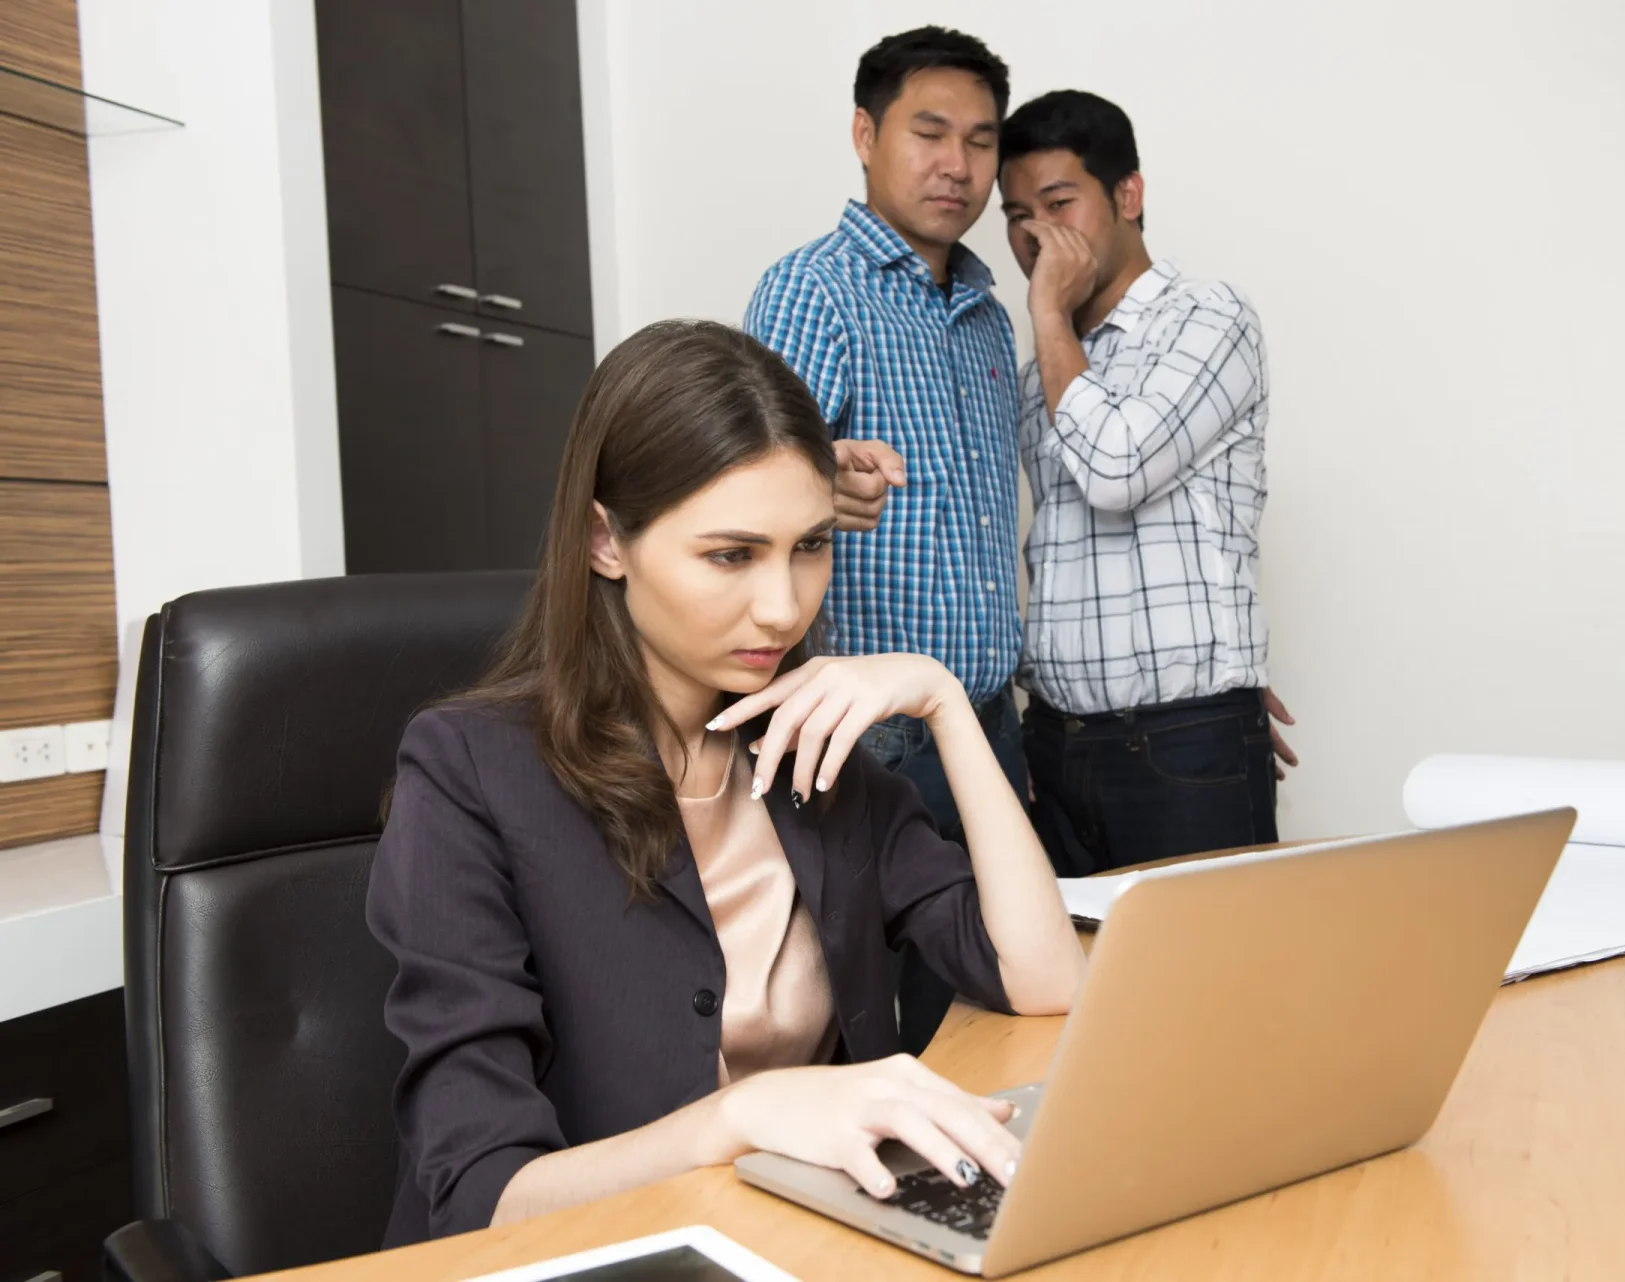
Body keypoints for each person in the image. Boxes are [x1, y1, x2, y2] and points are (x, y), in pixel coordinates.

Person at [366, 321, 1083, 1244]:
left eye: (811, 545)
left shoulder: (806, 746)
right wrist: (739, 1120)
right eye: (731, 555)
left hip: (796, 1241)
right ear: (605, 541)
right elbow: (478, 1198)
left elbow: (1044, 977)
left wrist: (942, 701)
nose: (784, 606)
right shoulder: (469, 773)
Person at [744, 27, 1027, 1052]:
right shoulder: (812, 290)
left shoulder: (992, 319)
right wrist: (823, 478)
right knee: (888, 1025)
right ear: (866, 135)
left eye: (982, 141)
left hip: (989, 724)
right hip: (872, 735)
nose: (957, 164)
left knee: (1001, 1006)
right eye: (929, 132)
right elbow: (747, 485)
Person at [998, 90, 1296, 875]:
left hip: (1182, 750)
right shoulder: (1041, 379)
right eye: (1017, 214)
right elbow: (1059, 556)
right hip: (1056, 747)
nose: (1036, 236)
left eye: (1059, 203)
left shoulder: (1209, 318)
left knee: (1213, 993)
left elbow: (1116, 469)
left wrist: (1215, 703)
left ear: (1128, 195)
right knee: (1069, 997)